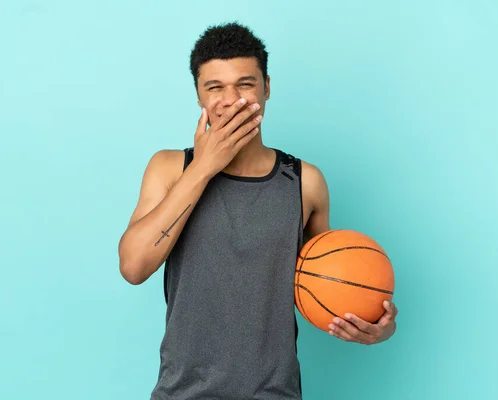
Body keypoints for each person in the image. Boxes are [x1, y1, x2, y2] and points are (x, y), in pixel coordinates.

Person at [118, 22, 398, 400]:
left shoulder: (305, 182)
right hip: (182, 393)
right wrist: (203, 167)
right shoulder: (170, 168)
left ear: (266, 87)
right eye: (214, 87)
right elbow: (134, 267)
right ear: (199, 96)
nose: (230, 99)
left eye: (245, 84)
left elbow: (325, 286)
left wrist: (376, 323)